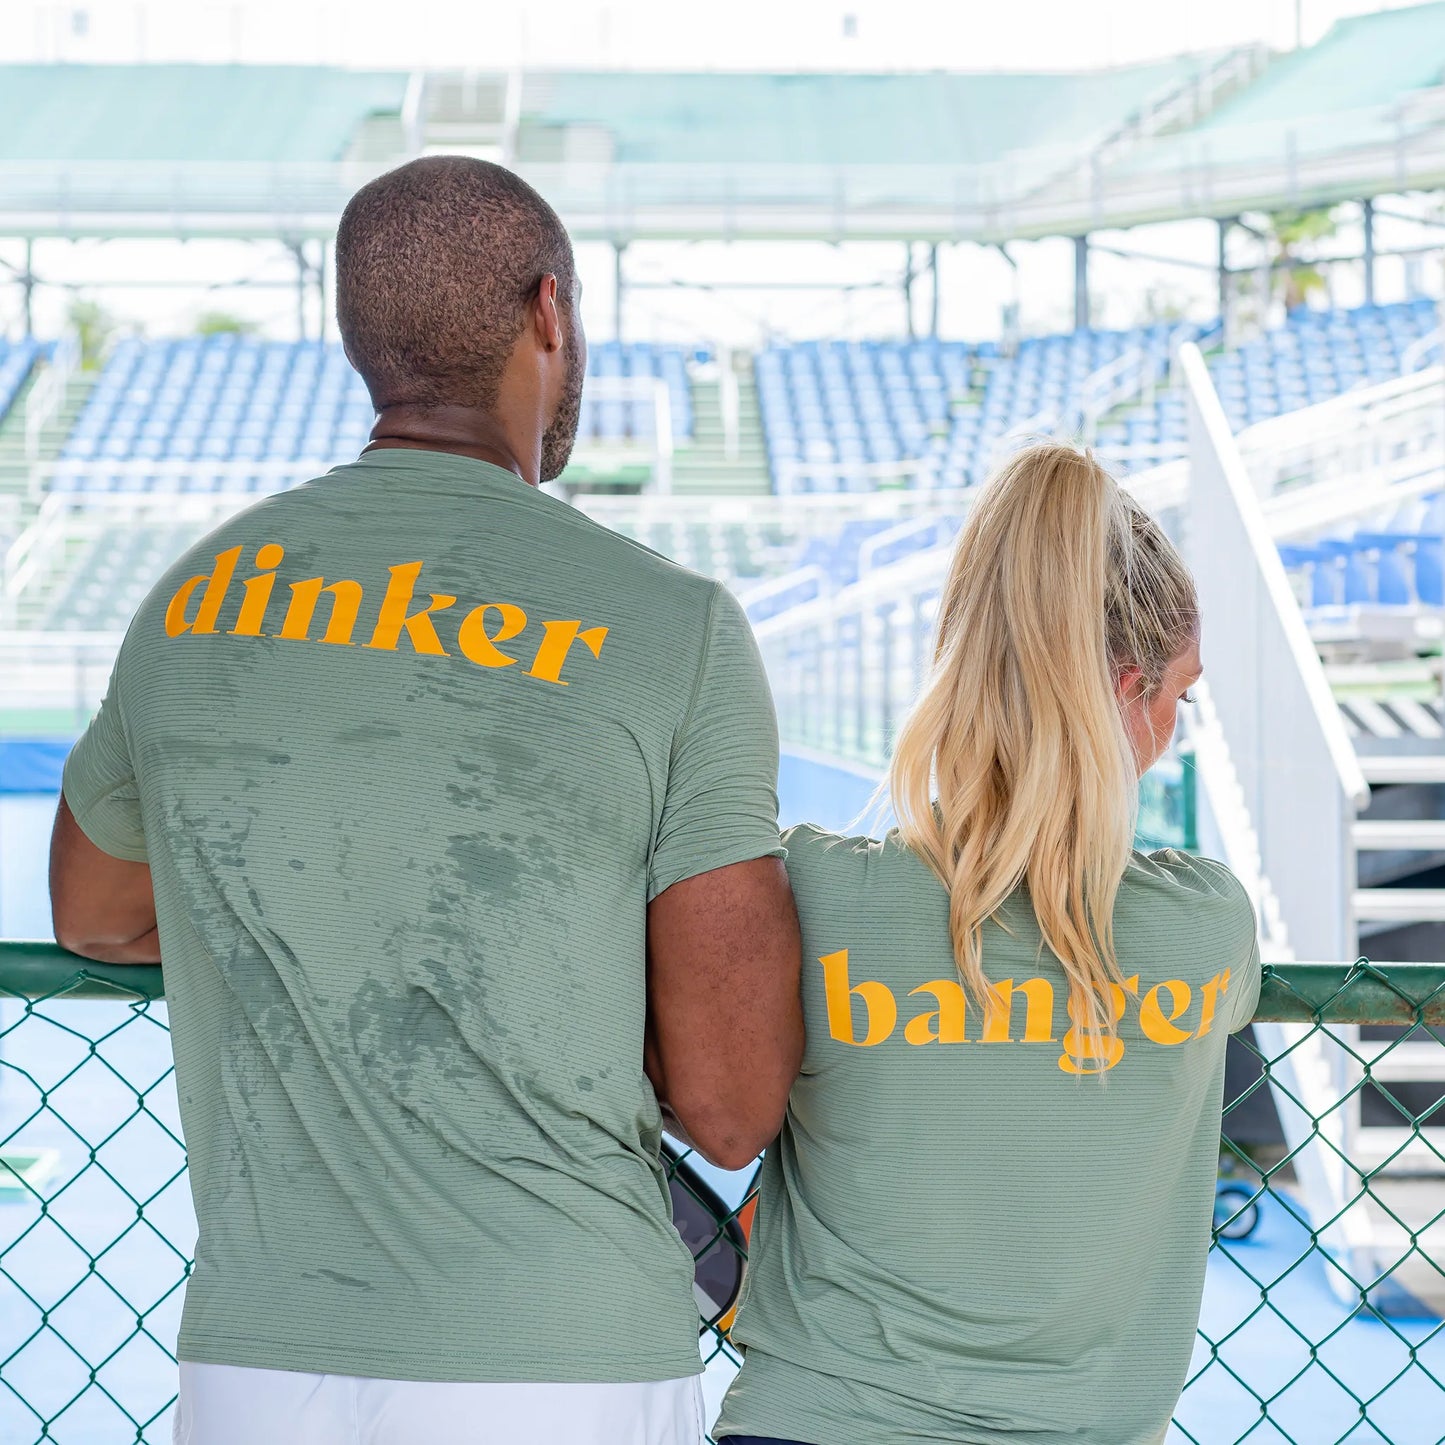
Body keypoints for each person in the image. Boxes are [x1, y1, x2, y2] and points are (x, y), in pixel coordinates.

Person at [49, 155, 803, 1445]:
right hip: (563, 1357)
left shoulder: (194, 594)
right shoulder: (671, 626)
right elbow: (730, 1101)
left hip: (259, 1364)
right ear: (549, 313)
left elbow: (95, 910)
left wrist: (331, 924)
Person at [715, 442, 1262, 1445]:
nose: (1174, 727)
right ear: (1126, 689)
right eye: (1177, 697)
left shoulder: (812, 891)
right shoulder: (1204, 925)